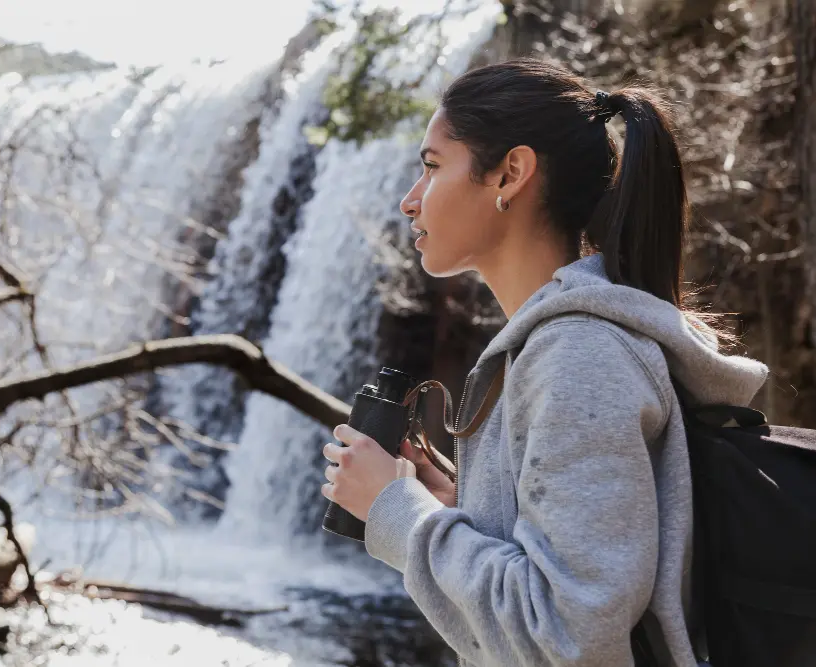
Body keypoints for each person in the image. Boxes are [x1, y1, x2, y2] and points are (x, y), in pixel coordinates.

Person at [319, 59, 768, 667]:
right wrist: (458, 508)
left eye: (430, 167)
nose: (409, 200)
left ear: (509, 174)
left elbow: (572, 636)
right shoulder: (556, 346)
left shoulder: (579, 354)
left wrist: (398, 514)